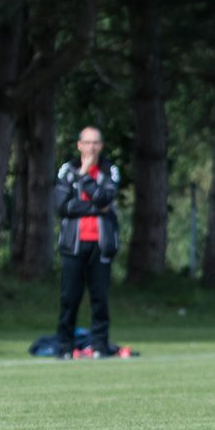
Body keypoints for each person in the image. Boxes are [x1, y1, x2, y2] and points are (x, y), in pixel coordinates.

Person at [54, 127, 136, 359]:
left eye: (96, 143)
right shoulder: (67, 170)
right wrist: (94, 206)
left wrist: (85, 178)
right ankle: (65, 346)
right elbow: (62, 206)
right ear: (79, 145)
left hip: (101, 245)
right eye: (87, 143)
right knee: (69, 298)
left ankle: (100, 346)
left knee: (100, 299)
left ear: (101, 146)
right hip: (73, 245)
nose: (91, 147)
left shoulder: (109, 170)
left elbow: (105, 198)